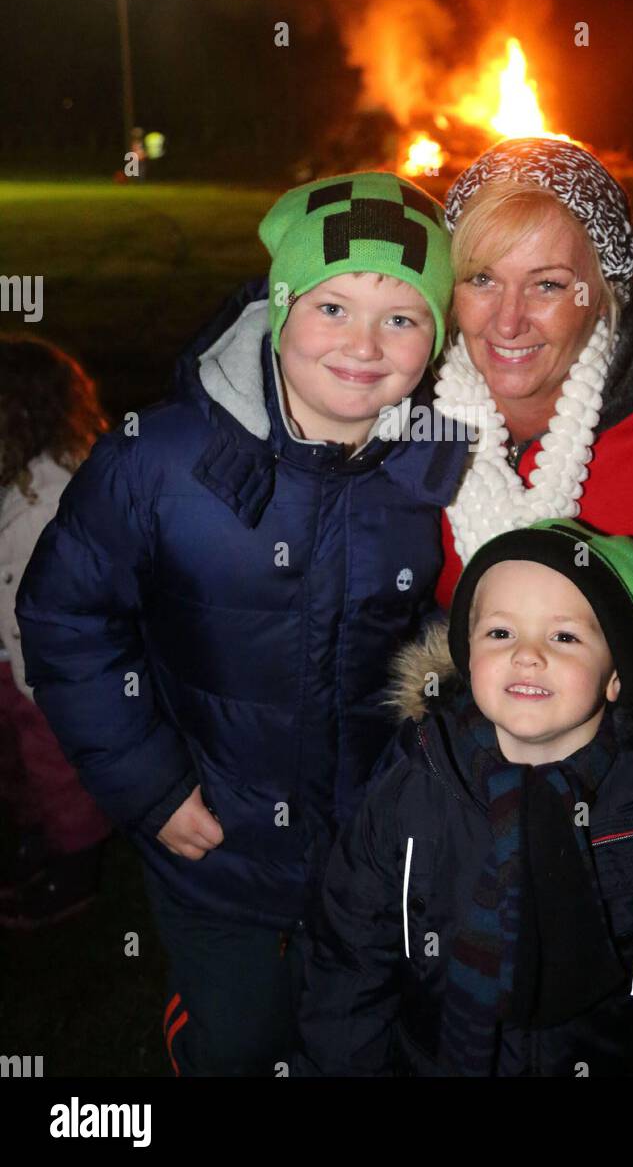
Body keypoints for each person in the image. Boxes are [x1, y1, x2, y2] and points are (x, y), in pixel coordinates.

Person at [16, 172, 470, 1076]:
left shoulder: (449, 467)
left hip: (371, 855)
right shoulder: (162, 459)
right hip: (211, 842)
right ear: (280, 304)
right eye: (333, 305)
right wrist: (149, 786)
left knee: (350, 1040)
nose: (363, 345)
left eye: (403, 317)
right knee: (241, 1041)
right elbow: (65, 615)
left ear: (437, 337)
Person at [294, 519, 633, 1077]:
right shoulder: (415, 779)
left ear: (616, 675)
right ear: (466, 658)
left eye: (564, 636)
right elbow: (348, 957)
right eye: (500, 633)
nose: (527, 655)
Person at [432, 137, 633, 839]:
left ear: (604, 290)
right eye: (482, 278)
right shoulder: (404, 409)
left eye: (547, 284)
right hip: (432, 792)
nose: (508, 319)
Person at [0, 337, 113, 928]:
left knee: (58, 771)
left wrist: (43, 685)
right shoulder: (16, 477)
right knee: (24, 764)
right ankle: (43, 841)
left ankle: (73, 872)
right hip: (19, 663)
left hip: (51, 675)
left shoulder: (49, 494)